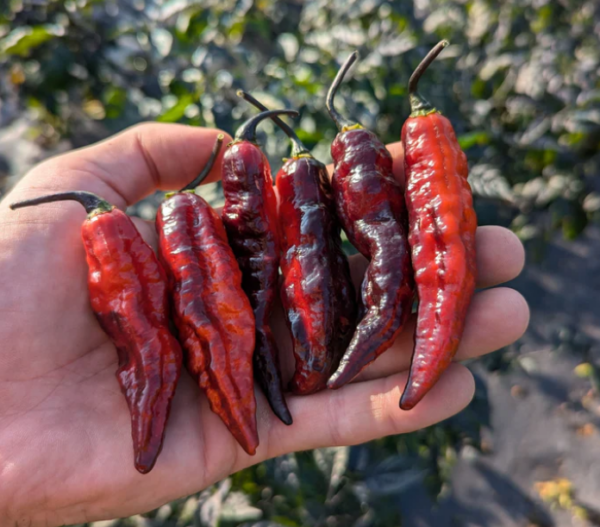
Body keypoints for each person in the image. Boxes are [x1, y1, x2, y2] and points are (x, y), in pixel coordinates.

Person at [0, 124, 529, 526]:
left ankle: (316, 374)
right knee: (228, 295)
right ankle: (299, 382)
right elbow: (159, 320)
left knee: (342, 264)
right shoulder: (175, 219)